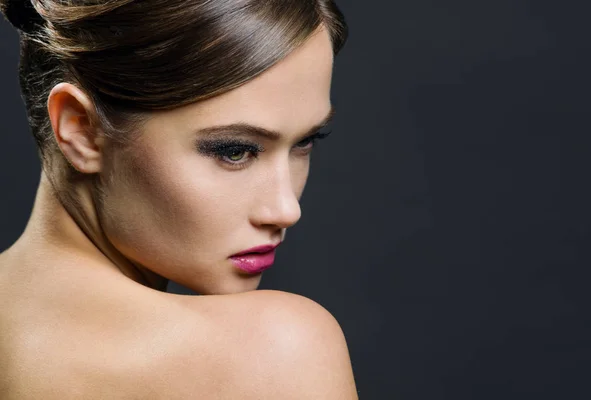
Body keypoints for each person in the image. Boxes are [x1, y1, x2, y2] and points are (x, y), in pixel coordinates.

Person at [0, 0, 358, 398]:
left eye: (305, 142)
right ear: (81, 130)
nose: (286, 210)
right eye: (234, 150)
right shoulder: (276, 349)